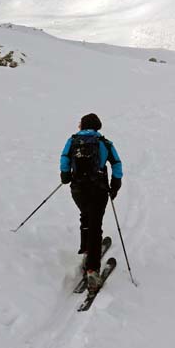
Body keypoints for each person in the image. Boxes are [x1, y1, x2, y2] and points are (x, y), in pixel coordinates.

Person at [60, 113, 123, 293]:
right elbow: (117, 164)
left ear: (82, 126)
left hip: (78, 190)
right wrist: (115, 185)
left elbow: (64, 159)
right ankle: (92, 271)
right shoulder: (105, 143)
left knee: (85, 217)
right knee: (96, 226)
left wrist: (65, 176)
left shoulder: (72, 141)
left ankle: (87, 253)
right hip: (99, 190)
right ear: (98, 126)